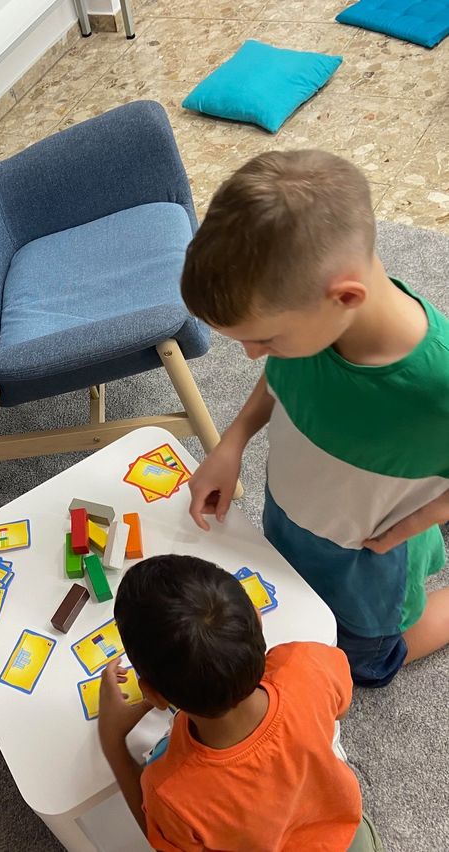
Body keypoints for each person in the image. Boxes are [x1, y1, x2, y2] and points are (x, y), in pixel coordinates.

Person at [180, 150, 449, 688]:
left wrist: (420, 521)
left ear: (345, 297)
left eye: (266, 340)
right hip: (293, 518)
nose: (253, 356)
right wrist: (233, 441)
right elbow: (282, 378)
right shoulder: (315, 323)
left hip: (369, 559)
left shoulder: (437, 386)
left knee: (363, 661)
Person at [98, 554, 382, 851]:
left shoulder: (168, 788)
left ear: (153, 694)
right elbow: (340, 708)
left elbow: (164, 842)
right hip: (354, 842)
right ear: (258, 618)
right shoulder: (308, 663)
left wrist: (112, 743)